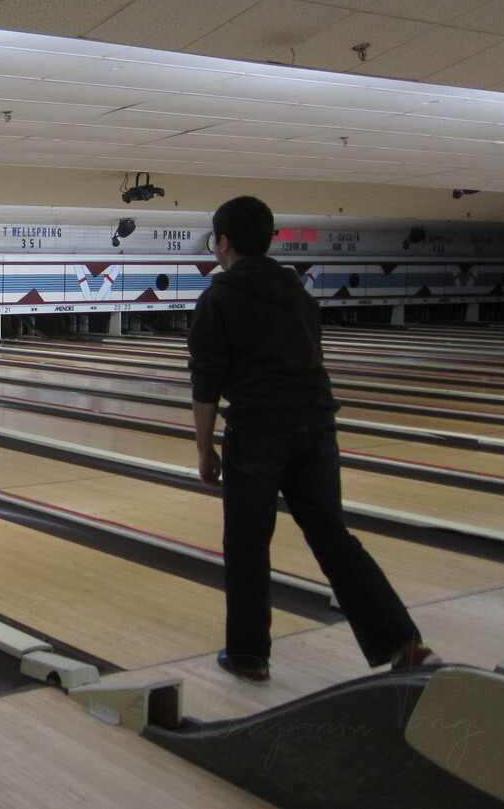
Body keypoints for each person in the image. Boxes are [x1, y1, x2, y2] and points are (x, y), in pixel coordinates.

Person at [187, 195, 438, 684]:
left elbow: (206, 381)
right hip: (317, 427)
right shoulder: (297, 291)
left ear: (223, 243)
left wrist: (204, 448)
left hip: (258, 433)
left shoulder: (218, 298)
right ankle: (403, 644)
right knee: (333, 538)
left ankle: (248, 656)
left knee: (247, 545)